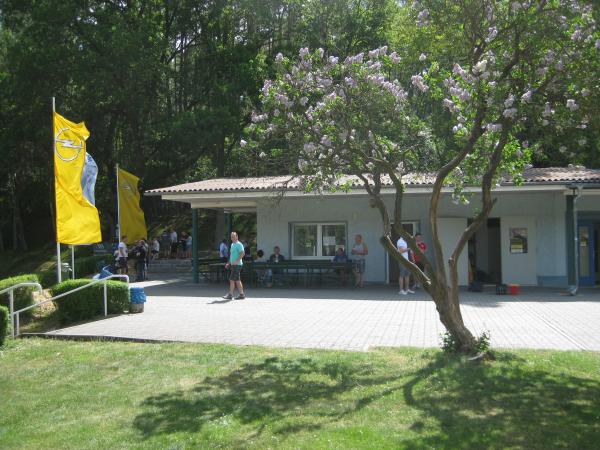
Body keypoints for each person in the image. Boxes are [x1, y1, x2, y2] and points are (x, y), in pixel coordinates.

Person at [222, 231, 246, 300]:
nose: (232, 238)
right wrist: (229, 263)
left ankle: (230, 295)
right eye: (231, 237)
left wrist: (237, 261)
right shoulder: (232, 244)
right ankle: (241, 294)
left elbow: (242, 253)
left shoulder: (239, 244)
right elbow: (232, 256)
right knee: (237, 280)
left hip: (237, 265)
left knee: (231, 279)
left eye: (233, 236)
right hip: (233, 265)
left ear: (237, 237)